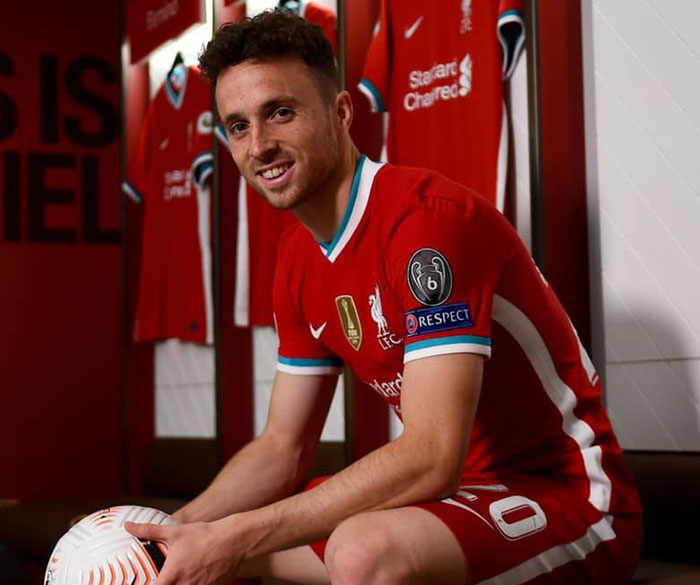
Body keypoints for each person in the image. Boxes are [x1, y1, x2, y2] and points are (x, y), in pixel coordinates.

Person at [127, 10, 642, 585]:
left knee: (360, 550)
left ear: (341, 112)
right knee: (217, 553)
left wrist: (234, 536)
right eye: (238, 126)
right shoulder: (297, 258)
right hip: (450, 502)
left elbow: (430, 455)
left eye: (281, 112)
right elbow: (283, 448)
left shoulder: (427, 221)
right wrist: (169, 533)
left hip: (566, 495)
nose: (260, 146)